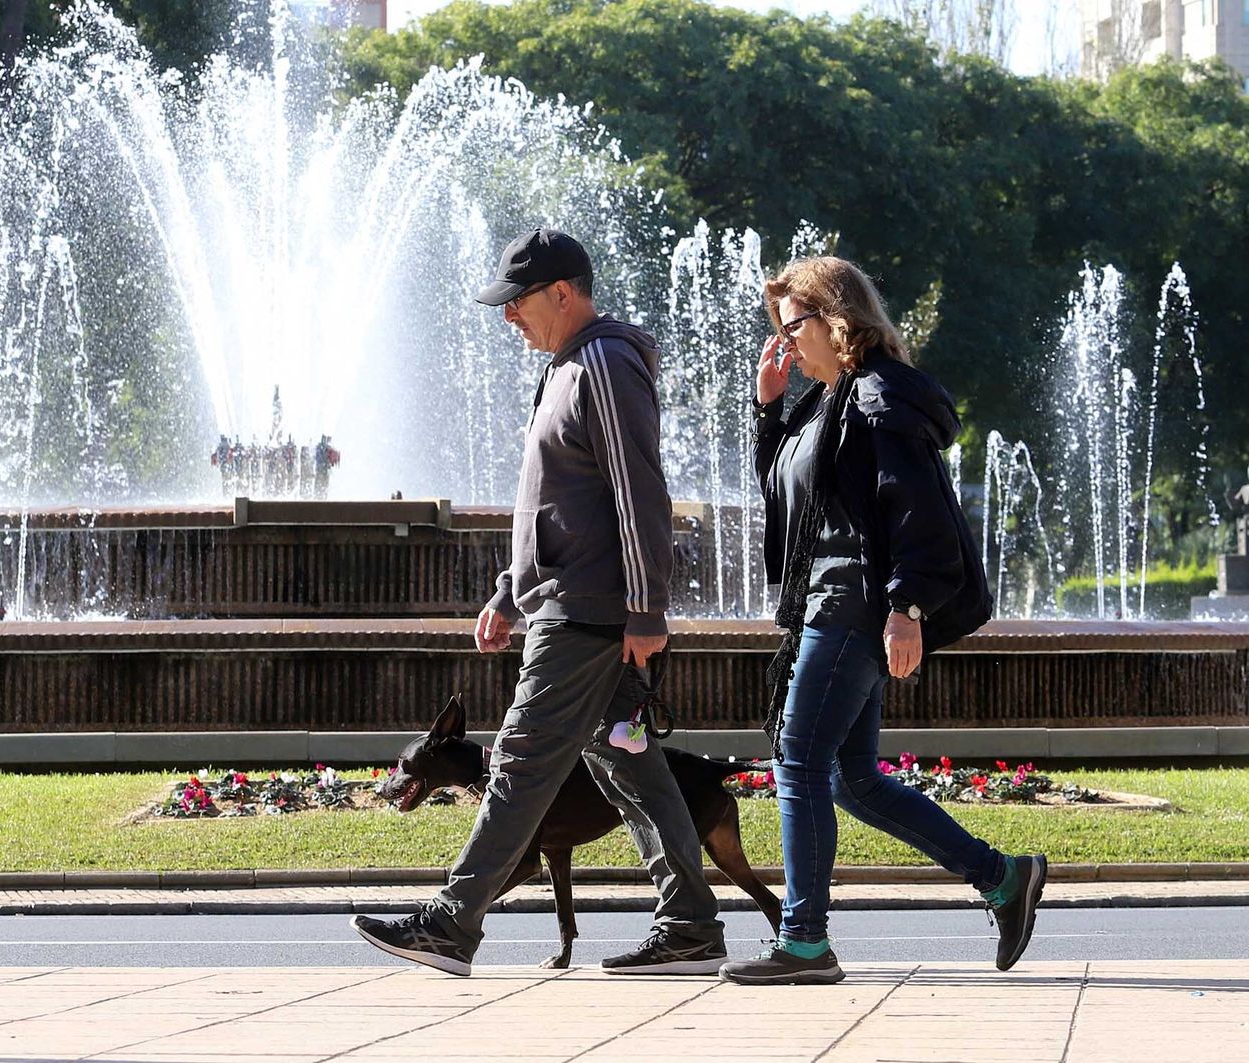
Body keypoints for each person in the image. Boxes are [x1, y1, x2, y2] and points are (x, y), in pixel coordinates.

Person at [351, 228, 728, 976]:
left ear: (564, 292)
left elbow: (639, 491)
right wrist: (508, 592)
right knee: (631, 766)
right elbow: (558, 505)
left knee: (518, 761)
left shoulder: (605, 363)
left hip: (590, 614)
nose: (507, 317)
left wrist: (648, 610)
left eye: (517, 301)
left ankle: (452, 924)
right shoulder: (565, 367)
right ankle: (689, 924)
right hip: (568, 603)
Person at [718, 256, 1046, 986]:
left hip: (856, 605)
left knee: (798, 759)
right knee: (851, 778)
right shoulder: (828, 401)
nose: (784, 342)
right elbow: (789, 500)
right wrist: (769, 409)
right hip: (831, 601)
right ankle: (1003, 877)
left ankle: (804, 940)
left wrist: (908, 606)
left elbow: (918, 509)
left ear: (835, 317)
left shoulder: (879, 397)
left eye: (793, 324)